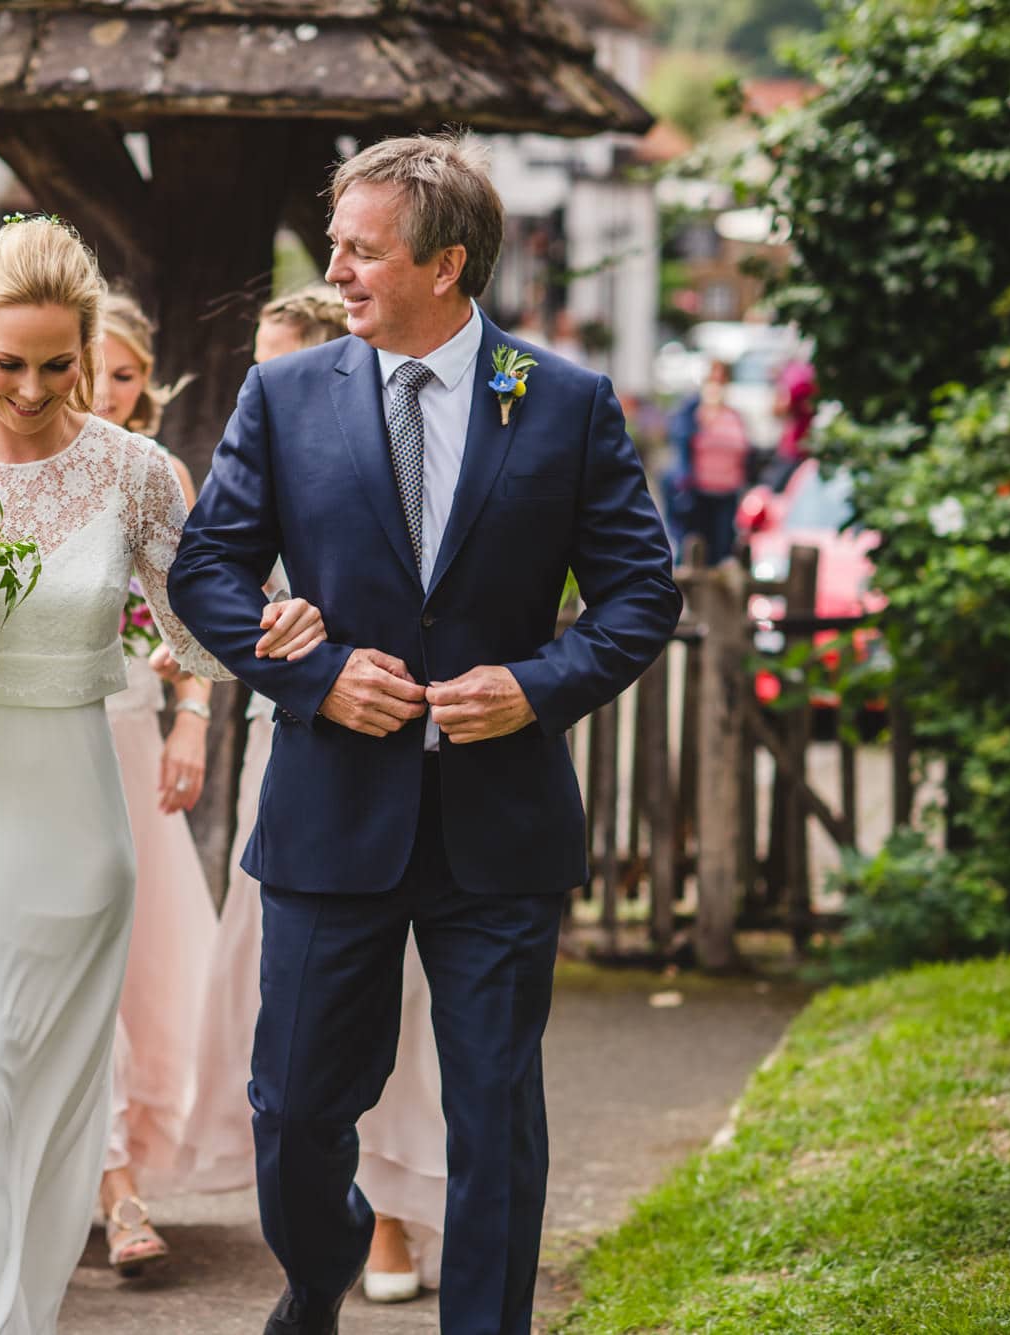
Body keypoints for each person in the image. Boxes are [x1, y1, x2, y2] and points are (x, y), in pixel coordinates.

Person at [169, 135, 681, 1335]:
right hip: (329, 813)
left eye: (361, 249)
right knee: (293, 1107)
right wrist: (314, 678)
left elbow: (637, 596)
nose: (335, 269)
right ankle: (316, 1276)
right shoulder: (283, 396)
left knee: (494, 1113)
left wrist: (536, 685)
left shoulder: (562, 402)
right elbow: (207, 571)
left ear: (446, 264)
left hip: (498, 825)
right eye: (335, 244)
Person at [0, 217, 329, 1334]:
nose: (35, 388)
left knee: (38, 1113)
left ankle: (5, 1315)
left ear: (90, 350)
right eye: (10, 364)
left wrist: (282, 620)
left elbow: (203, 630)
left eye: (59, 364)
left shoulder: (136, 472)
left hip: (71, 836)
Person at [184, 284, 449, 1305]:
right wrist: (290, 645)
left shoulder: (415, 418)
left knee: (414, 1016)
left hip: (431, 760)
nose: (275, 376)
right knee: (298, 1048)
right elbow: (217, 567)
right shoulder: (269, 409)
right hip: (301, 750)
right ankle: (326, 1239)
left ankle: (396, 1209)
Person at [86, 290, 219, 1276]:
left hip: (132, 735)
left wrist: (194, 720)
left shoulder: (157, 472)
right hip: (39, 738)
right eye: (95, 366)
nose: (106, 388)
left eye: (126, 373)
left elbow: (201, 615)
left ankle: (120, 1171)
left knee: (139, 968)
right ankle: (103, 1184)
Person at [665, 359, 749, 564]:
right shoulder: (692, 413)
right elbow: (680, 441)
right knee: (694, 551)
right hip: (698, 495)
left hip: (727, 493)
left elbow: (745, 450)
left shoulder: (734, 415)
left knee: (720, 552)